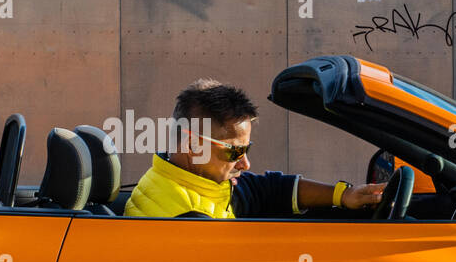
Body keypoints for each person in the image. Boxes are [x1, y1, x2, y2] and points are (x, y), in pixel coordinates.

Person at [125, 79, 385, 218]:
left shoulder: (202, 183)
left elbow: (271, 190)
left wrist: (345, 195)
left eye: (246, 150)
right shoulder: (186, 219)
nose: (245, 164)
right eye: (234, 152)